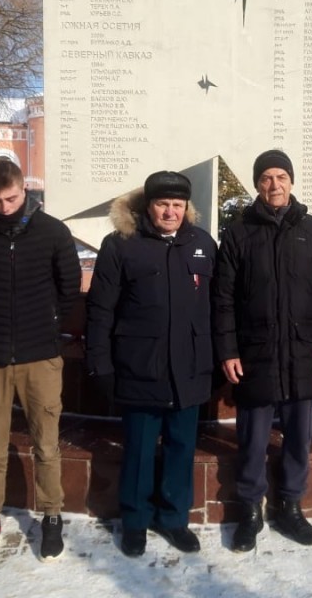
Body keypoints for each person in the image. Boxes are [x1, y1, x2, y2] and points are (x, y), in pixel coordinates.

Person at [0, 158, 81, 566]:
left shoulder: (52, 231)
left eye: (11, 198)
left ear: (25, 190)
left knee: (46, 443)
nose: (5, 207)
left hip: (40, 356)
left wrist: (46, 322)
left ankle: (52, 516)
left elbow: (69, 286)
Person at [213, 150, 312, 552]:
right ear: (257, 184)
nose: (274, 185)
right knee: (253, 439)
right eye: (266, 178)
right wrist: (228, 350)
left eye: (281, 176)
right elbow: (223, 298)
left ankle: (290, 505)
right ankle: (250, 509)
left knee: (299, 437)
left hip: (304, 351)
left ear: (291, 181)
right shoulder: (239, 233)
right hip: (256, 353)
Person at [86, 171, 217, 558]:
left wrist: (216, 356)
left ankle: (174, 518)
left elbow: (219, 305)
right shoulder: (121, 245)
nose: (170, 212)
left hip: (189, 367)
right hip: (140, 367)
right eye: (163, 204)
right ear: (148, 206)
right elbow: (100, 309)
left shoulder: (202, 244)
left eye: (177, 205)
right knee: (140, 450)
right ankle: (135, 520)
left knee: (181, 447)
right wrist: (99, 363)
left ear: (186, 207)